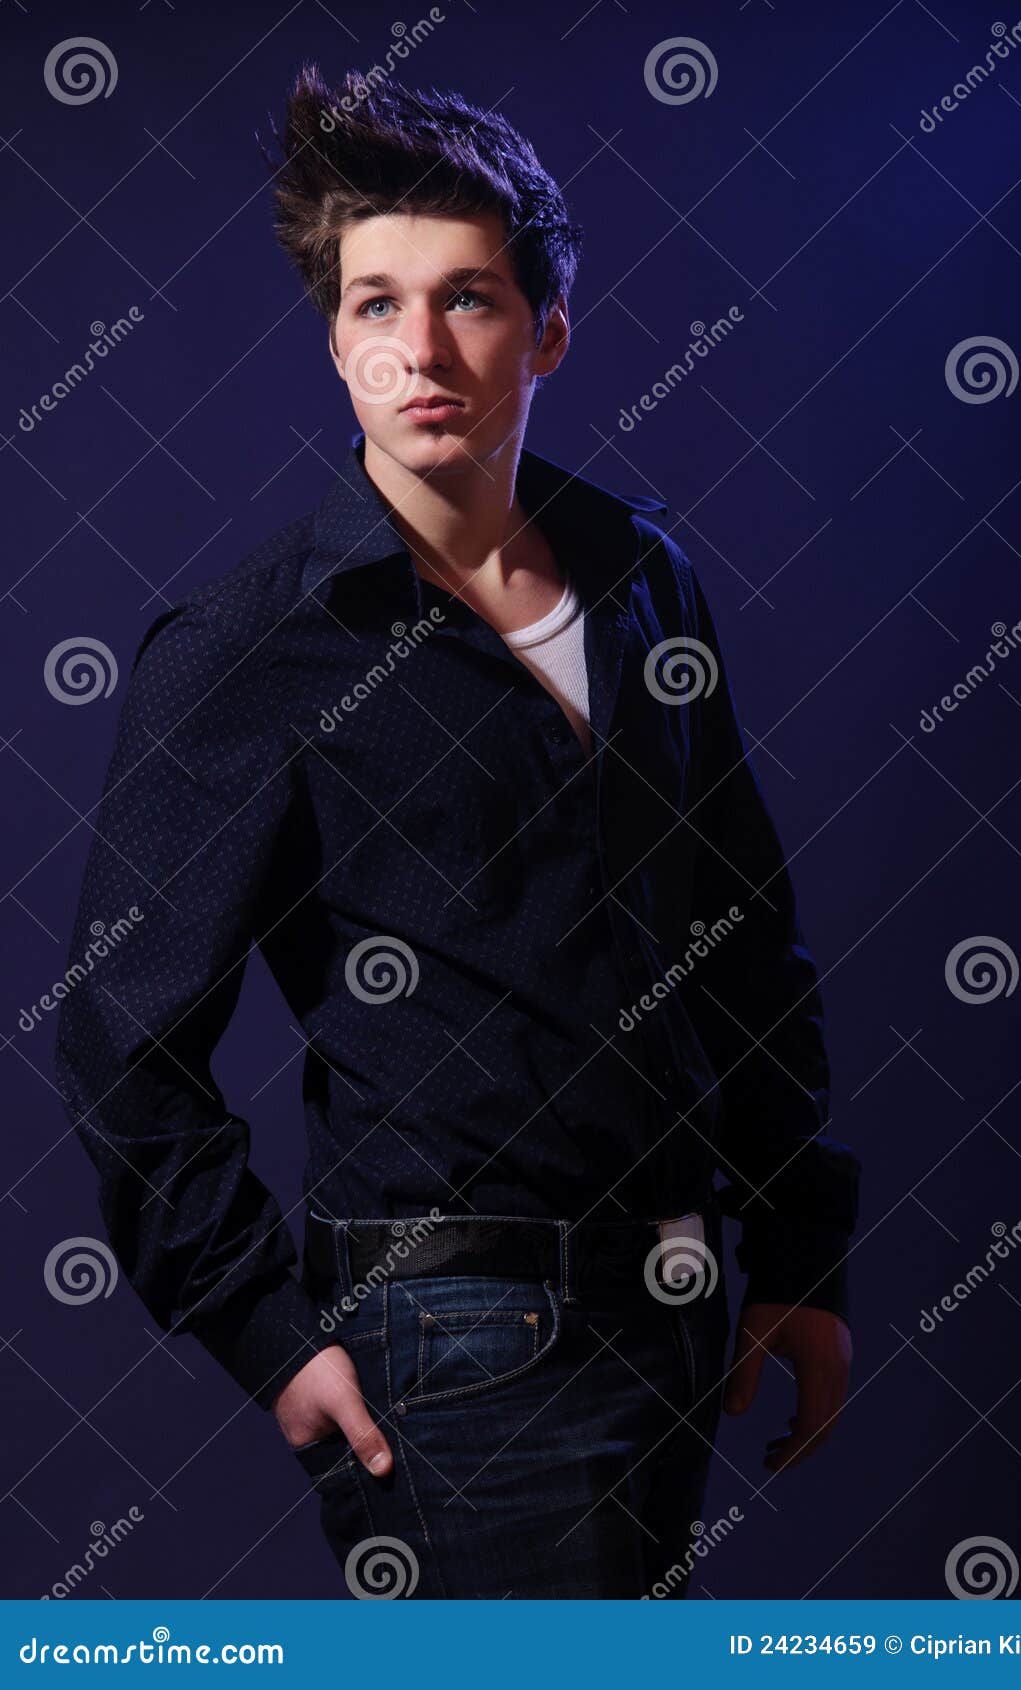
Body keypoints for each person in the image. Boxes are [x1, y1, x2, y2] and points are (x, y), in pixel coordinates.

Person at [54, 64, 860, 1600]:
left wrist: (803, 1254)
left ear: (547, 328)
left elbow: (746, 934)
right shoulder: (251, 649)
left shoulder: (640, 576)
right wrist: (265, 1330)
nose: (419, 349)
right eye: (374, 304)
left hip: (682, 1307)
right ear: (334, 338)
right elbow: (117, 1030)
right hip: (458, 1345)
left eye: (469, 299)